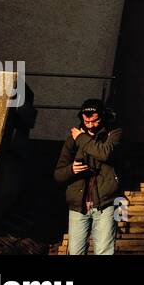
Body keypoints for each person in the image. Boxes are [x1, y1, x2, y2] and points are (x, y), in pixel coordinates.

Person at [54, 98, 123, 255]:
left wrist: (81, 138)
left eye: (95, 121)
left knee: (105, 251)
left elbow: (104, 154)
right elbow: (58, 174)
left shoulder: (114, 133)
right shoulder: (72, 139)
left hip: (107, 202)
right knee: (75, 252)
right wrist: (71, 170)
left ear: (103, 117)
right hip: (78, 204)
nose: (90, 125)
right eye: (86, 121)